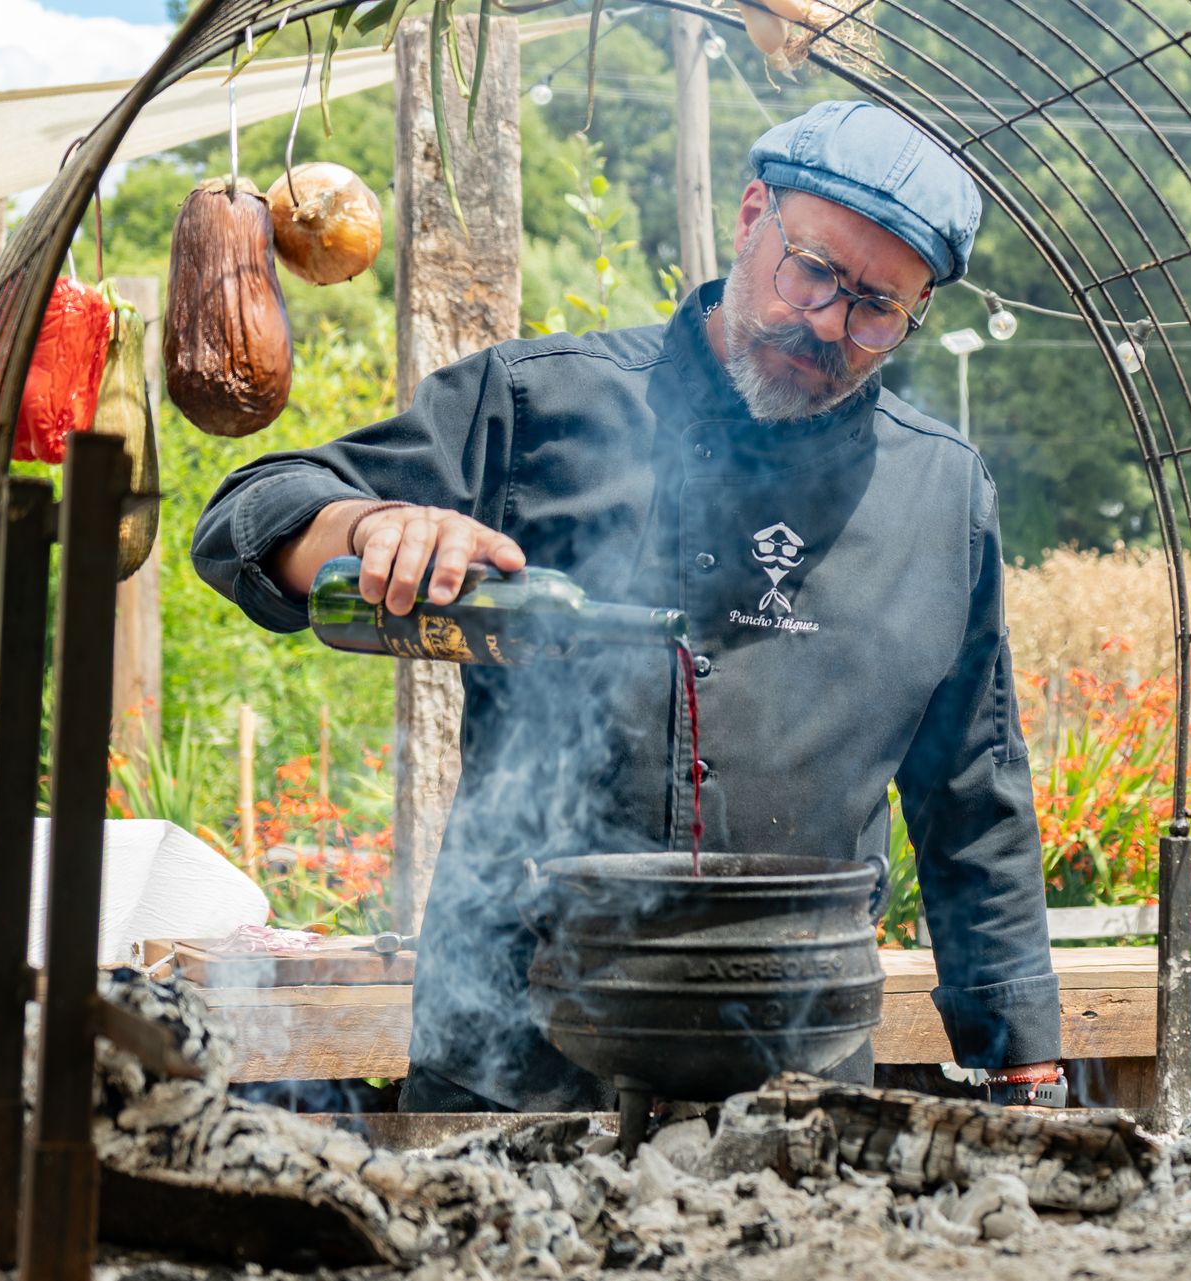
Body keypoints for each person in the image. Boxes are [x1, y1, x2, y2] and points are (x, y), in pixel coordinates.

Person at [193, 100, 1063, 1112]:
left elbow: (972, 794)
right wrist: (367, 524)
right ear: (752, 216)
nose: (829, 323)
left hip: (796, 1081)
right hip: (511, 1060)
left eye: (877, 309)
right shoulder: (540, 405)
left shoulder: (941, 495)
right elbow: (247, 515)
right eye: (814, 273)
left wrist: (1022, 1067)